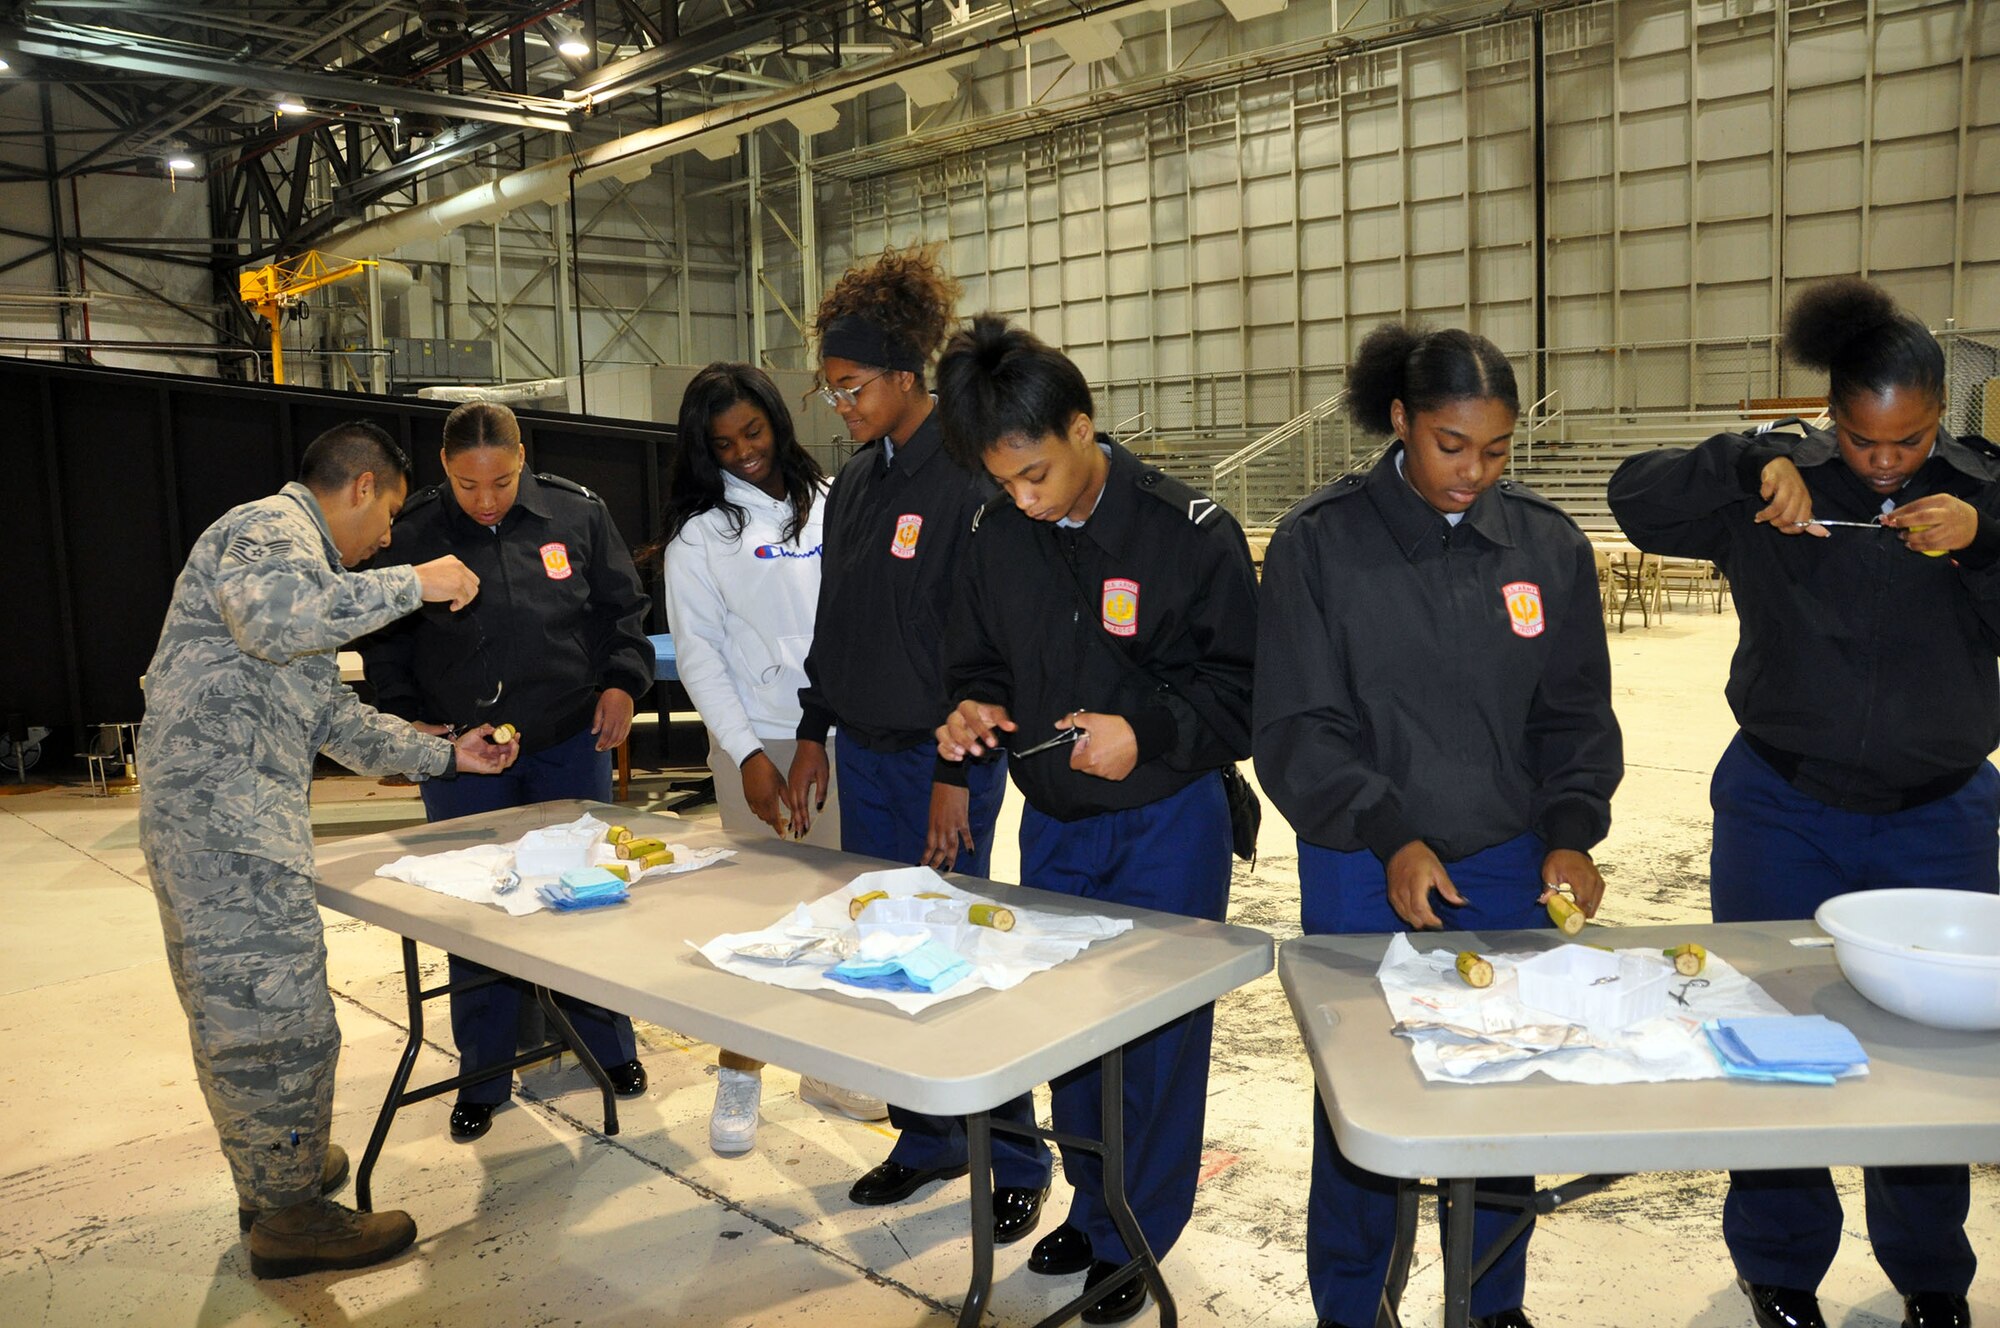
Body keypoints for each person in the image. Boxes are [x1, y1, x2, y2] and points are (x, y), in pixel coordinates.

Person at [1608, 278, 1993, 1328]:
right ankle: (1778, 1270)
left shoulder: (1980, 491)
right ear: (1831, 418)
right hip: (1781, 808)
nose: (1882, 463)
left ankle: (1930, 1277)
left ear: (1936, 418)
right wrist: (1746, 459)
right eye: (1863, 442)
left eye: (1907, 440)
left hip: (1938, 817)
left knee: (1927, 1062)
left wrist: (1981, 537)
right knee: (1768, 1038)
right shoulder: (1774, 483)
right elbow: (1633, 499)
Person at [1253, 323, 1623, 1328]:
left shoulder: (1543, 544)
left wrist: (1568, 828)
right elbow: (1296, 723)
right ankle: (1351, 1302)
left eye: (1495, 450)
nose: (1473, 471)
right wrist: (1387, 832)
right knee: (1366, 1103)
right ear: (1401, 423)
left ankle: (1488, 1298)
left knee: (1499, 1092)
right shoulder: (1318, 543)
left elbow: (1573, 714)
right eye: (1450, 446)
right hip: (1359, 864)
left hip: (1506, 862)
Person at [934, 316, 1259, 1324]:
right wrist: (974, 703)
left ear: (1083, 428)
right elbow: (979, 654)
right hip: (1059, 822)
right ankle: (1091, 1200)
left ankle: (1136, 1236)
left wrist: (1145, 729)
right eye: (1003, 480)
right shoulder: (996, 536)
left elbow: (1243, 690)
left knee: (1156, 1041)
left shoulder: (1187, 533)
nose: (1021, 497)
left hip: (1167, 820)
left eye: (1035, 472)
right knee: (1066, 1029)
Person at [138, 420, 516, 1278]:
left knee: (263, 1019)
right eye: (383, 522)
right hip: (223, 833)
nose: (381, 542)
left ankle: (280, 1171)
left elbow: (332, 717)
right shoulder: (266, 532)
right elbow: (274, 623)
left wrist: (449, 752)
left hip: (236, 827)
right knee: (277, 1029)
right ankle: (288, 1217)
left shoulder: (297, 570)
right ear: (360, 487)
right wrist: (412, 581)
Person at [786, 247, 1046, 1239]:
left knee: (961, 955)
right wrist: (814, 731)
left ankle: (1013, 1152)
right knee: (888, 947)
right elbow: (837, 621)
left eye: (850, 388)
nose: (839, 405)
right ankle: (927, 1134)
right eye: (830, 389)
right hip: (865, 752)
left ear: (904, 374)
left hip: (946, 766)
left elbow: (989, 652)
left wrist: (953, 773)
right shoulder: (854, 483)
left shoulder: (968, 473)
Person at [360, 401, 653, 1143]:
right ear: (444, 472)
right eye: (468, 484)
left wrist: (621, 683)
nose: (486, 499)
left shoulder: (576, 513)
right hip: (462, 756)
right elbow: (386, 642)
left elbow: (622, 609)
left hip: (565, 742)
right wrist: (406, 719)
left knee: (584, 898)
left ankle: (607, 1046)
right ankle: (483, 1072)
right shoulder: (414, 532)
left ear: (523, 459)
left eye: (501, 481)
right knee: (476, 914)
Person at [653, 361, 887, 1155]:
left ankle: (832, 1064)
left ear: (778, 424)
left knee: (849, 911)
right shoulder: (700, 538)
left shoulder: (830, 502)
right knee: (761, 923)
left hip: (843, 734)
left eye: (753, 432)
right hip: (762, 740)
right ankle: (740, 1072)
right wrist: (749, 753)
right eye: (723, 443)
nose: (744, 452)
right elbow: (700, 657)